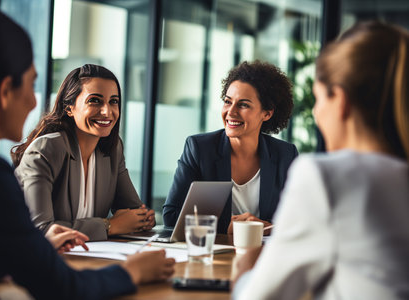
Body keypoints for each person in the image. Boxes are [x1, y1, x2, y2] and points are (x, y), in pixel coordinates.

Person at [0, 8, 174, 299]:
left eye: (114, 102)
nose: (35, 100)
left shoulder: (111, 149)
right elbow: (63, 288)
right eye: (32, 84)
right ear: (6, 90)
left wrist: (39, 247)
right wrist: (132, 270)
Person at [232, 21, 409, 299]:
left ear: (339, 100)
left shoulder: (327, 177)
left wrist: (245, 269)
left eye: (317, 99)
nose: (316, 113)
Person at [12, 64, 155, 241]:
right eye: (95, 101)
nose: (107, 111)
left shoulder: (113, 149)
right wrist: (109, 226)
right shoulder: (46, 149)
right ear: (69, 108)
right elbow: (42, 230)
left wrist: (144, 219)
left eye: (114, 101)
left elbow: (135, 212)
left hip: (88, 255)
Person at [162, 60, 298, 233]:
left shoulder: (286, 155)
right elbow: (171, 215)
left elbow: (300, 219)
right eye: (228, 101)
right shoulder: (200, 149)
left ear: (267, 113)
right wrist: (228, 226)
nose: (231, 112)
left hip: (263, 254)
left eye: (243, 105)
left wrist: (267, 227)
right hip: (214, 253)